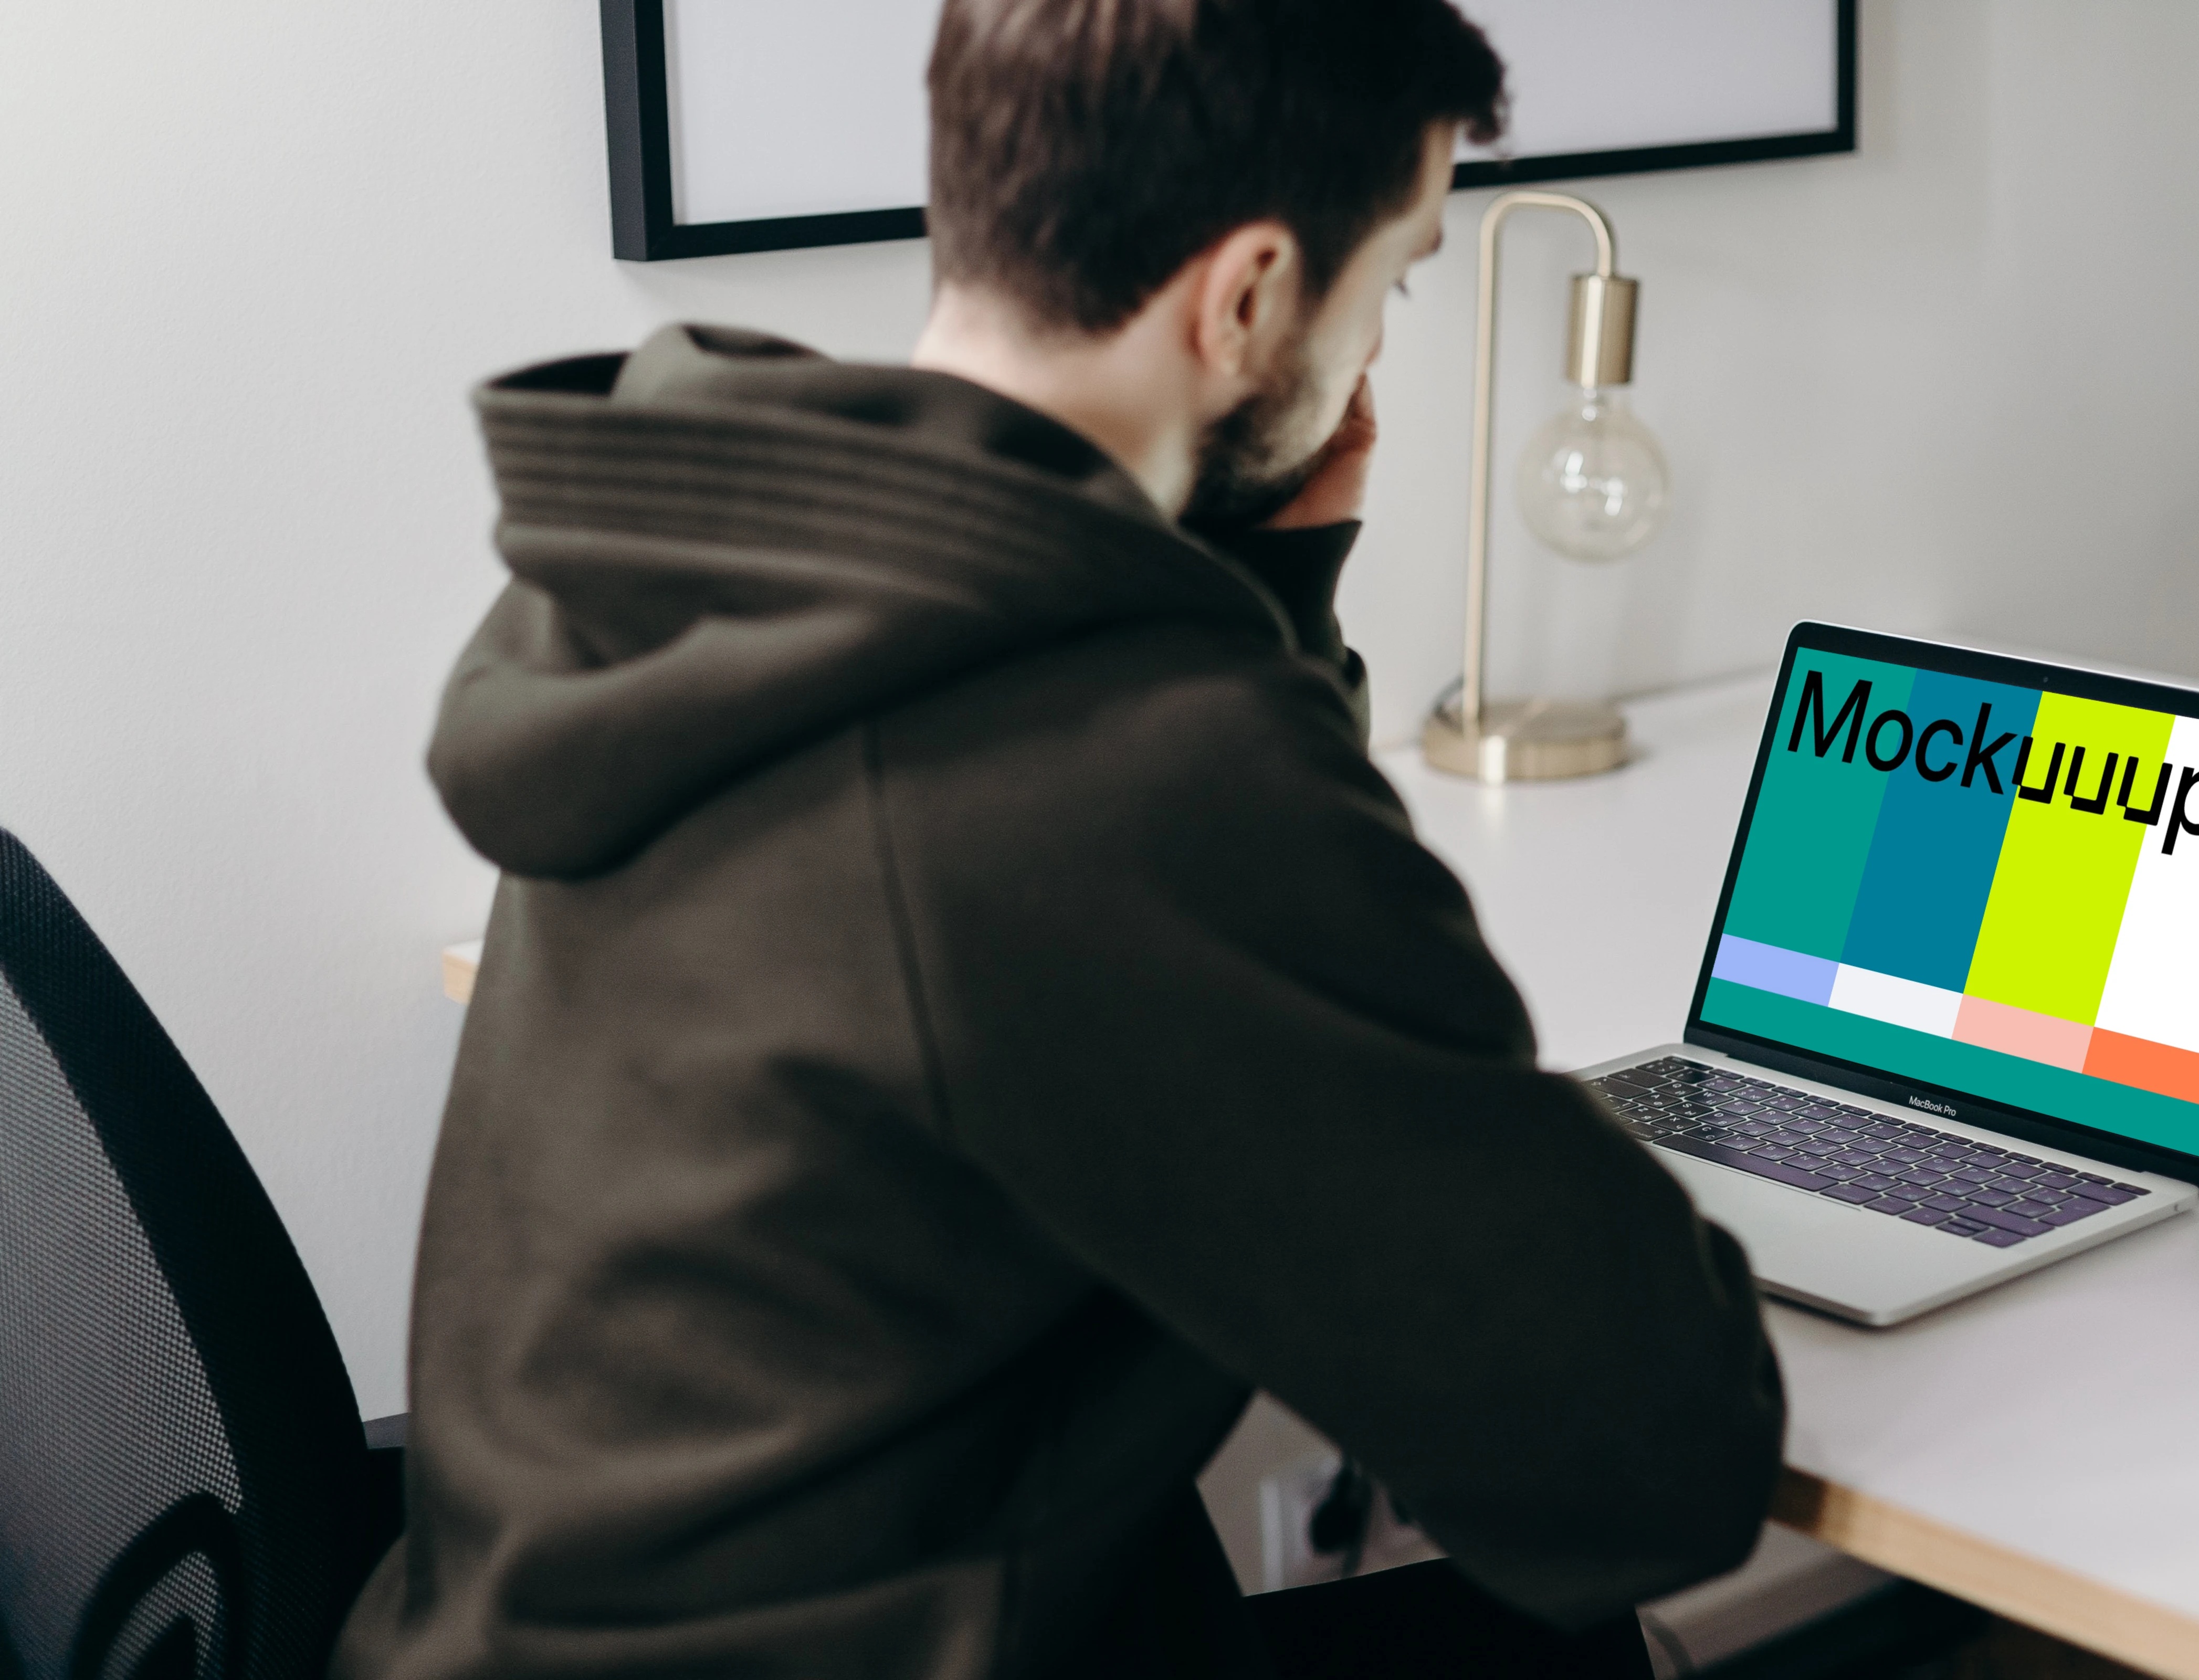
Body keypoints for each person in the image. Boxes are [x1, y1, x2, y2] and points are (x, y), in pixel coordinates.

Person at [333, 1, 1785, 1675]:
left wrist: (1264, 586)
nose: (1380, 337)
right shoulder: (1120, 767)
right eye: (1392, 279)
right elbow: (1652, 1464)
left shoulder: (730, 579)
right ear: (1249, 296)